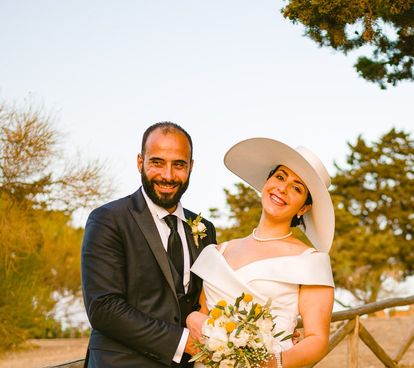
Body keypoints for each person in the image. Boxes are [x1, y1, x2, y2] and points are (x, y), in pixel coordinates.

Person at [187, 138, 335, 368]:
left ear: (304, 207)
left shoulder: (310, 262)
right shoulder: (220, 250)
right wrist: (192, 317)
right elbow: (203, 314)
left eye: (297, 188)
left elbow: (317, 340)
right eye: (280, 177)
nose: (282, 189)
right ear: (267, 181)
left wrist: (271, 363)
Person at [81, 121, 217, 367]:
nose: (167, 175)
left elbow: (212, 299)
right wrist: (182, 342)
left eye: (178, 165)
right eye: (157, 162)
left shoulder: (205, 229)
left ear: (191, 167)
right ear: (140, 162)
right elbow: (103, 308)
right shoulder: (108, 219)